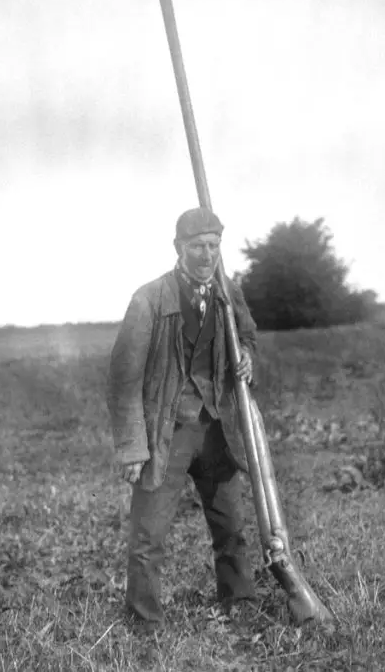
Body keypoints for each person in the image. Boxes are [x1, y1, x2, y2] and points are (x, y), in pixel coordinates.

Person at [107, 207, 259, 629]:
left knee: (231, 525)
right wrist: (133, 449)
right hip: (165, 435)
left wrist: (246, 357)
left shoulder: (229, 291)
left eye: (213, 246)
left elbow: (247, 334)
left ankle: (239, 604)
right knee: (148, 537)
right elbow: (123, 381)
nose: (206, 255)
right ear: (178, 249)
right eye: (197, 247)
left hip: (217, 430)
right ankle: (144, 622)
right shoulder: (149, 299)